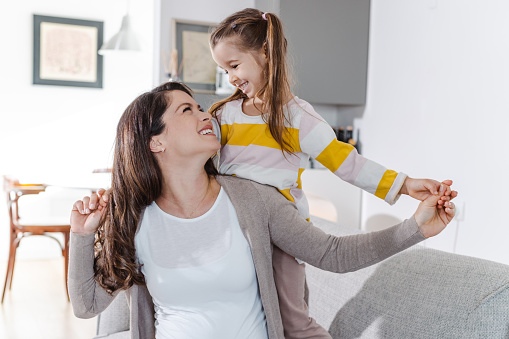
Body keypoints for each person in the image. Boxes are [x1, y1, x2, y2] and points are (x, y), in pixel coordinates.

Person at [68, 82, 456, 339]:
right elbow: (87, 307)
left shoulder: (251, 199)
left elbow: (332, 254)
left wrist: (415, 228)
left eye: (201, 107)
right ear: (155, 143)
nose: (206, 115)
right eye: (187, 110)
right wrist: (83, 234)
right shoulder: (136, 222)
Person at [208, 8, 457, 338]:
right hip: (235, 231)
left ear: (266, 53)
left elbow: (349, 163)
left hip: (283, 233)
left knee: (294, 324)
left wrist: (405, 184)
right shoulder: (223, 114)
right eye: (224, 69)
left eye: (234, 65)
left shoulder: (298, 118)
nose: (230, 78)